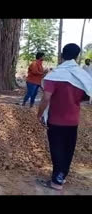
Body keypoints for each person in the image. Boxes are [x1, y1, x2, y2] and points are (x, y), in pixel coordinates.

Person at [37, 43, 92, 191]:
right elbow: (88, 95)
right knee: (68, 149)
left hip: (56, 120)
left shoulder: (54, 75)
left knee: (57, 149)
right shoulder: (82, 76)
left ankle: (56, 181)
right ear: (77, 56)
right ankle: (62, 176)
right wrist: (74, 100)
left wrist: (40, 114)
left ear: (62, 55)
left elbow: (46, 98)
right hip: (73, 120)